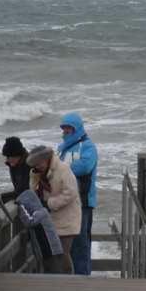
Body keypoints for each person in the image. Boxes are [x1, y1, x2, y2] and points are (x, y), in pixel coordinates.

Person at [27, 145, 81, 274]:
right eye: (34, 165)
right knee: (50, 254)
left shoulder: (63, 169)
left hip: (67, 219)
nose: (37, 167)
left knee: (62, 253)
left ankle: (68, 281)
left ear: (47, 159)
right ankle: (53, 280)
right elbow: (33, 192)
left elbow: (71, 193)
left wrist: (50, 203)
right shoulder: (37, 172)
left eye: (39, 164)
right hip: (50, 221)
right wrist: (35, 177)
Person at [57, 112, 98, 276]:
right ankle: (69, 277)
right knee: (66, 243)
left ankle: (83, 277)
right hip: (64, 203)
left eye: (69, 128)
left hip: (83, 203)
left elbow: (85, 167)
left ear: (77, 129)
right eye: (64, 128)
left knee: (81, 244)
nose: (66, 131)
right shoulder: (61, 149)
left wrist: (62, 169)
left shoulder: (88, 146)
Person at [0, 136, 31, 203]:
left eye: (8, 156)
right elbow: (18, 190)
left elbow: (24, 191)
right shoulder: (15, 165)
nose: (7, 160)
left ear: (17, 155)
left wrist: (2, 198)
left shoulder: (29, 165)